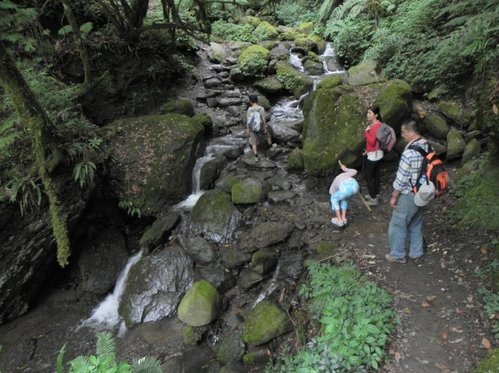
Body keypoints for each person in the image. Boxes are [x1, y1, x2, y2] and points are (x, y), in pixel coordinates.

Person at [386, 120, 431, 264]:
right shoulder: (427, 146)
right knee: (416, 221)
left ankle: (397, 254)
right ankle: (416, 252)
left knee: (397, 224)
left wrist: (394, 195)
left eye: (403, 132)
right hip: (425, 192)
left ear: (411, 132)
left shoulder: (409, 153)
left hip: (410, 194)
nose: (402, 135)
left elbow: (402, 178)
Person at [329, 160, 360, 228]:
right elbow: (355, 171)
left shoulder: (335, 180)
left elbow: (332, 193)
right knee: (344, 198)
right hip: (355, 186)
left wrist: (334, 207)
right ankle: (344, 219)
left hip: (346, 188)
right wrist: (346, 169)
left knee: (333, 198)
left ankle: (339, 220)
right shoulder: (345, 174)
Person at [363, 106, 383, 206]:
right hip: (378, 153)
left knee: (368, 176)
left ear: (376, 115)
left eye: (370, 113)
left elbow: (371, 141)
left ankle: (373, 198)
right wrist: (367, 151)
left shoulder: (375, 126)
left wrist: (366, 132)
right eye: (367, 113)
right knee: (376, 174)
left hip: (374, 155)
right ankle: (376, 194)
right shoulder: (379, 124)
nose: (368, 115)